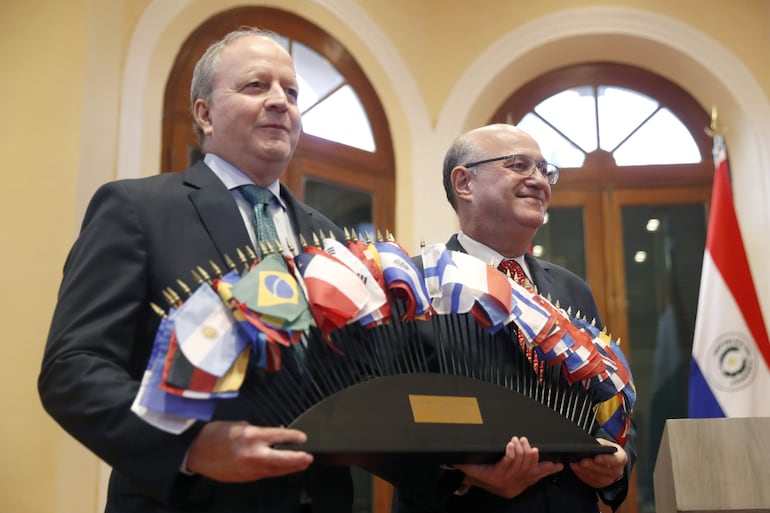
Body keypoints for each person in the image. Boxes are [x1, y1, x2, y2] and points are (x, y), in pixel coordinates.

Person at [38, 28, 352, 513]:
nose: (280, 102)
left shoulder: (330, 239)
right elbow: (73, 369)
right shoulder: (136, 210)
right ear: (205, 114)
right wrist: (188, 446)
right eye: (256, 86)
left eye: (291, 93)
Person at [390, 124, 636, 513]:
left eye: (544, 170)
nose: (538, 180)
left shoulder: (572, 289)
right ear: (464, 183)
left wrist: (618, 460)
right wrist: (463, 477)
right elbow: (385, 415)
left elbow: (609, 398)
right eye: (519, 165)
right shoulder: (413, 283)